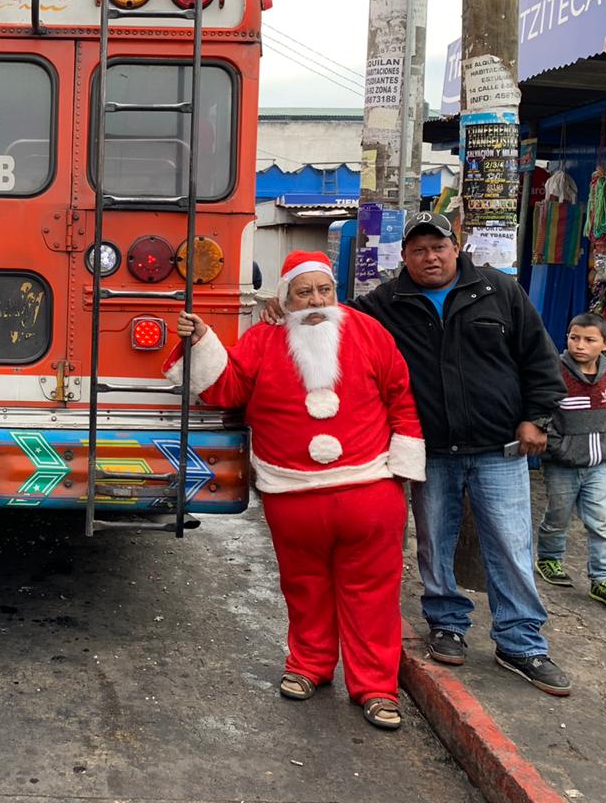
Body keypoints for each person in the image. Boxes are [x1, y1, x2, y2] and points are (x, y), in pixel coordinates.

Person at [167, 250, 426, 730]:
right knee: (304, 588)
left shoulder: (369, 332)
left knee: (373, 594)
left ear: (334, 290)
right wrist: (202, 340)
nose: (315, 301)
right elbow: (227, 388)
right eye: (303, 292)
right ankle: (309, 666)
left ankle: (375, 687)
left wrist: (405, 463)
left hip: (367, 487)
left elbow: (400, 396)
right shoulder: (264, 337)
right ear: (284, 298)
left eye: (323, 290)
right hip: (292, 494)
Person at [332, 212, 571, 695]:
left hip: (498, 447)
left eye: (438, 246)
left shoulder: (499, 291)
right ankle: (447, 624)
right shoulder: (385, 303)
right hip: (429, 449)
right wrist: (283, 307)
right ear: (404, 257)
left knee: (510, 543)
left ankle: (521, 641)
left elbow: (538, 357)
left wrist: (538, 418)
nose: (430, 257)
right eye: (418, 249)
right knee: (433, 544)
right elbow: (329, 321)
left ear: (455, 247)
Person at [536, 313, 606, 608]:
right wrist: (555, 447)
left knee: (602, 523)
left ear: (605, 344)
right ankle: (549, 558)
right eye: (573, 337)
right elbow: (542, 409)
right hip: (561, 464)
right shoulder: (556, 371)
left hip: (597, 465)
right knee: (558, 517)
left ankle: (603, 578)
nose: (579, 345)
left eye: (589, 340)